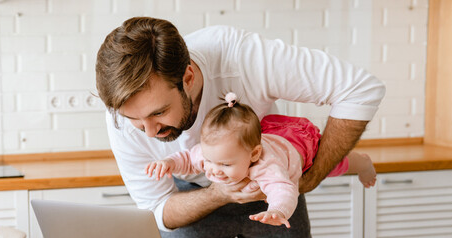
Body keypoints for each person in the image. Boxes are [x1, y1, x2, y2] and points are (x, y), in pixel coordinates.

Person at [95, 16, 385, 238]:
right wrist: (220, 193)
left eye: (159, 113)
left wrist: (313, 176)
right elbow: (156, 207)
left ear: (188, 77)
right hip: (193, 195)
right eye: (135, 120)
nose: (147, 132)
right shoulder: (121, 114)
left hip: (272, 186)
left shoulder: (242, 57)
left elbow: (360, 89)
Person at [145, 93, 377, 229]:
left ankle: (361, 162)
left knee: (334, 164)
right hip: (271, 134)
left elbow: (284, 190)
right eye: (209, 161)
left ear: (254, 155)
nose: (213, 171)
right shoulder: (213, 154)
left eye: (225, 165)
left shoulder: (267, 166)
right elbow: (188, 158)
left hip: (299, 146)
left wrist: (278, 210)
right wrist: (169, 163)